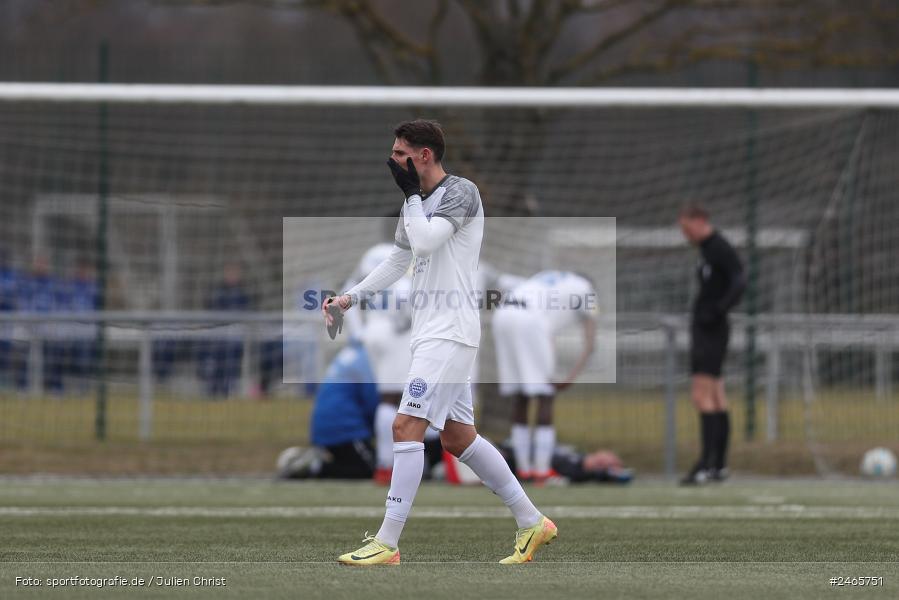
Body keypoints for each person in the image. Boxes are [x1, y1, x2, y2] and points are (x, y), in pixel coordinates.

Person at [322, 119, 556, 565]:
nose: (392, 161)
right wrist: (351, 298)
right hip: (431, 332)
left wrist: (411, 196)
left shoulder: (460, 192)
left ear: (423, 155)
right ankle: (532, 522)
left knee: (404, 426)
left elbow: (427, 242)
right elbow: (399, 259)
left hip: (450, 331)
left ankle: (387, 543)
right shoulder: (417, 202)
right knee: (459, 438)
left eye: (399, 153)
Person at [492, 270, 597, 484]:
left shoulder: (548, 277)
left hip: (502, 315)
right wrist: (571, 377)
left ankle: (523, 470)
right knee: (545, 395)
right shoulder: (587, 290)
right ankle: (541, 471)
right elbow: (590, 341)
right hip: (531, 319)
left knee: (521, 396)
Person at [678, 203, 746, 485]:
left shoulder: (719, 246)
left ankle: (705, 464)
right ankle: (718, 465)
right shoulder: (705, 250)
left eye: (686, 228)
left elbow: (740, 279)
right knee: (716, 395)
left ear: (700, 220)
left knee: (701, 396)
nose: (685, 235)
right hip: (708, 328)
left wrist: (719, 309)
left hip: (711, 329)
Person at [278, 341, 380, 479]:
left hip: (326, 427)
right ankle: (315, 467)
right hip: (345, 429)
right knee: (371, 468)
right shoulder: (368, 360)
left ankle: (312, 463)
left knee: (354, 463)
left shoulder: (351, 354)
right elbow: (372, 401)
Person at [199, 263, 251, 397]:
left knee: (232, 364)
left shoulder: (243, 294)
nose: (232, 276)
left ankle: (228, 391)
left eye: (235, 273)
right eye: (230, 272)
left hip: (236, 335)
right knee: (217, 363)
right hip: (219, 335)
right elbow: (211, 310)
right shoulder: (218, 292)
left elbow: (246, 311)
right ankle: (212, 391)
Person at [500, 443, 634, 485]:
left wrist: (610, 473)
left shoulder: (575, 470)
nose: (604, 459)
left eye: (606, 463)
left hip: (510, 461)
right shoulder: (575, 455)